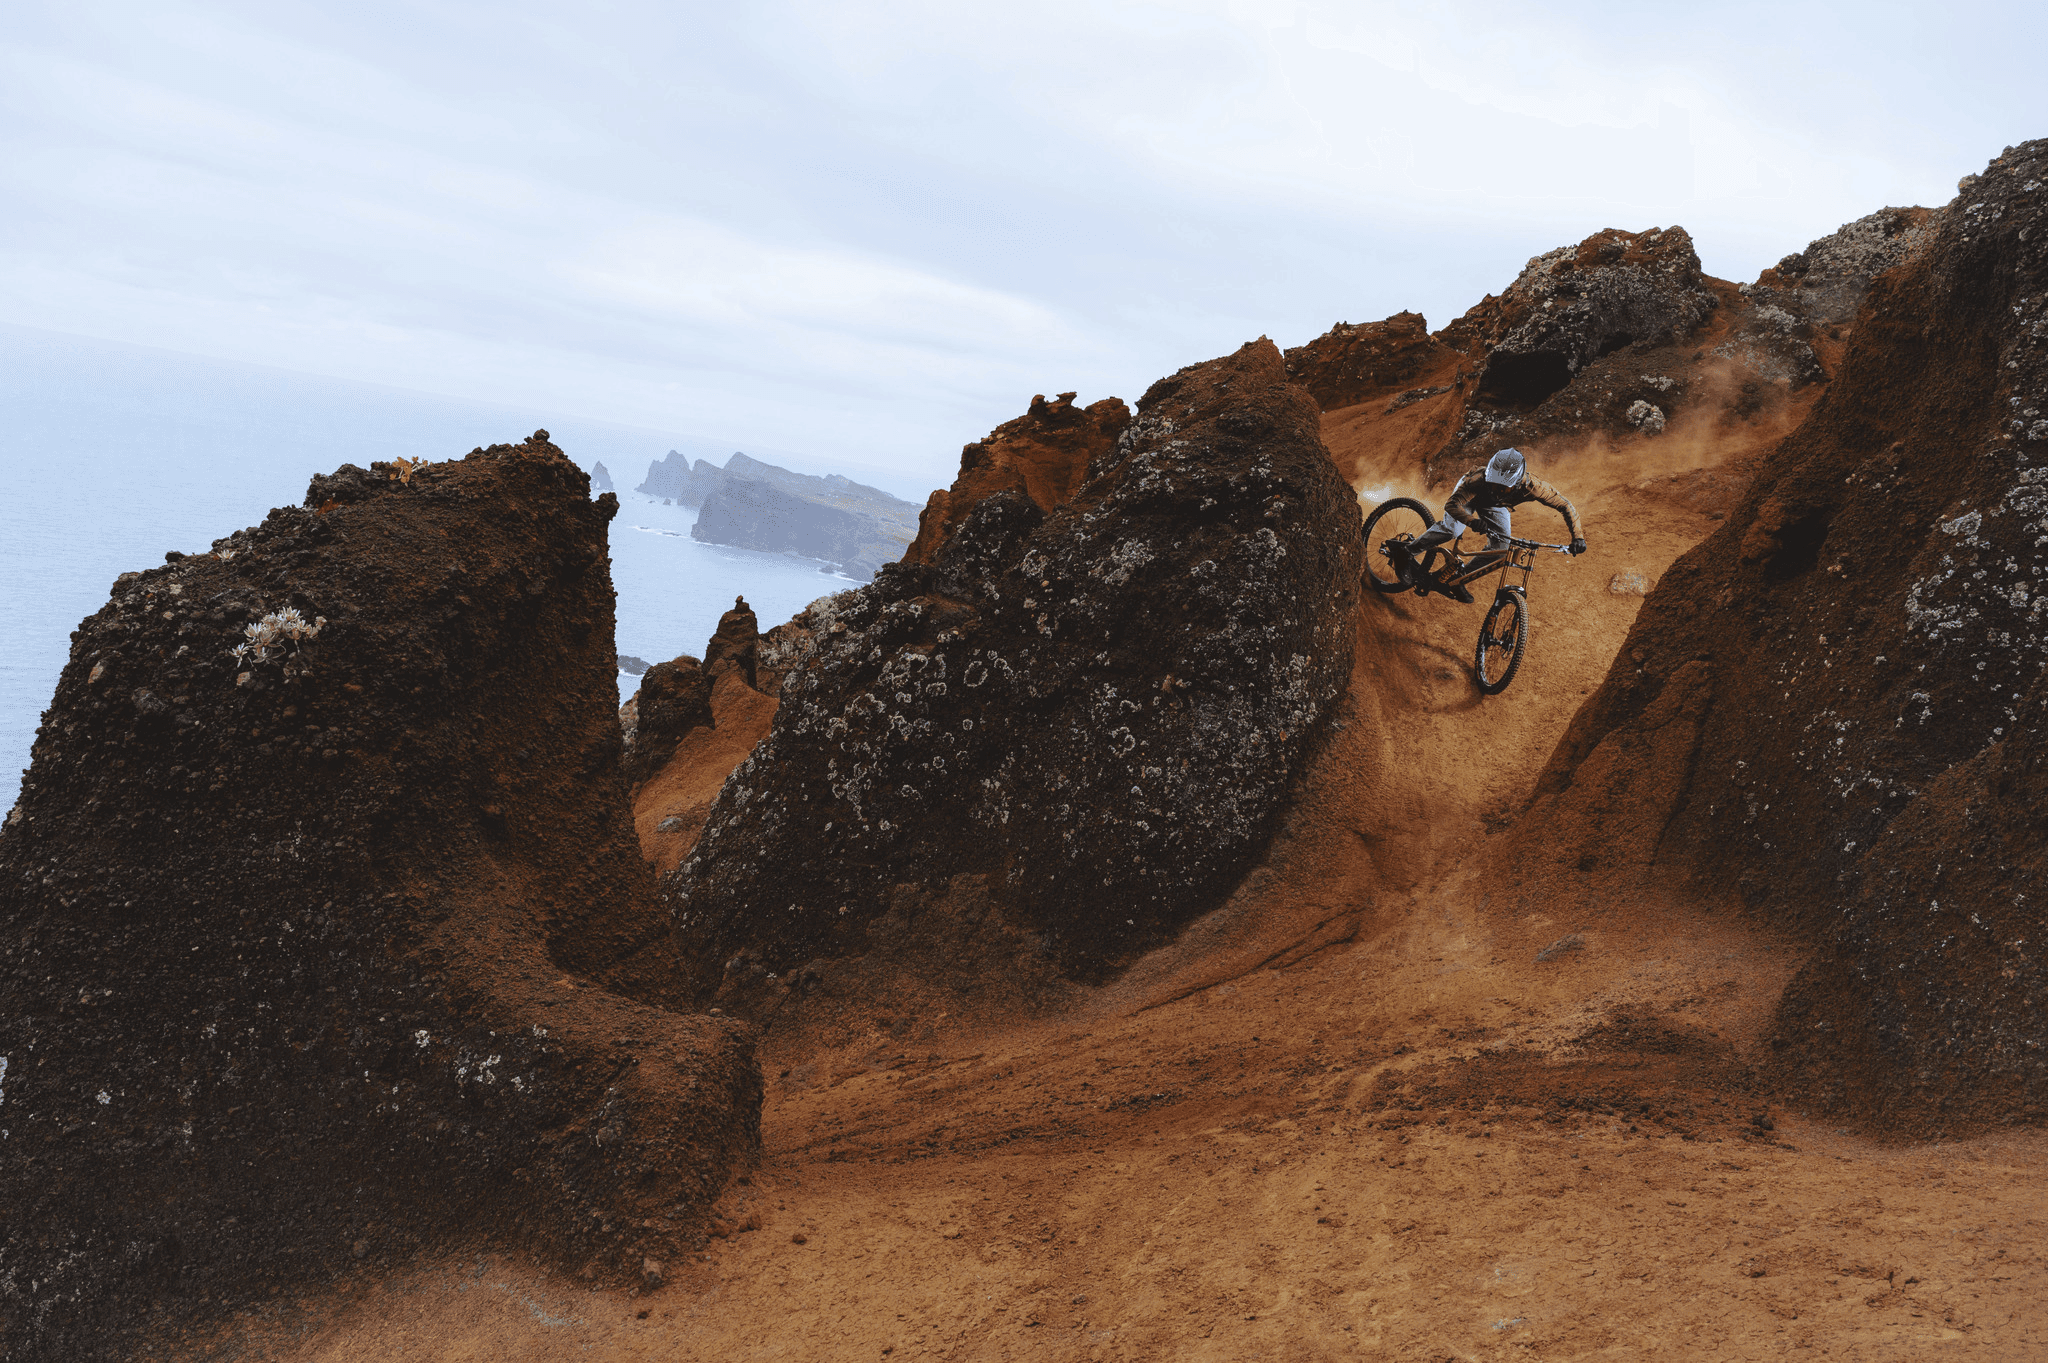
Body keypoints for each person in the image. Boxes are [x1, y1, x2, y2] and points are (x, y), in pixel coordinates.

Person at [1392, 448, 1586, 602]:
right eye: (1493, 482)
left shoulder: (1534, 487)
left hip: (1495, 506)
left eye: (1502, 486)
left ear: (1516, 483)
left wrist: (1578, 537)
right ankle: (1405, 553)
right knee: (1453, 529)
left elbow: (1565, 505)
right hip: (1469, 498)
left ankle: (1458, 578)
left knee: (1501, 549)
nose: (1495, 488)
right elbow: (1452, 505)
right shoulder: (1479, 480)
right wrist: (1472, 521)